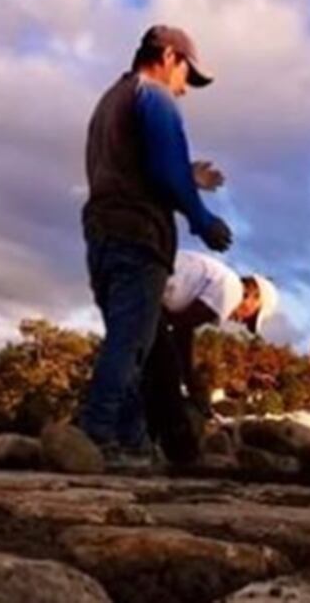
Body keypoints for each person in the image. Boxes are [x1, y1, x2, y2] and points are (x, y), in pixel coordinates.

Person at [80, 25, 233, 466]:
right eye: (188, 75)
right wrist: (203, 221)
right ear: (169, 57)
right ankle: (98, 434)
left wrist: (190, 176)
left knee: (133, 341)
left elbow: (133, 167)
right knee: (130, 344)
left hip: (103, 230)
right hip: (138, 234)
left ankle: (129, 442)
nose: (185, 89)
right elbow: (163, 177)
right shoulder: (155, 96)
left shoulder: (110, 100)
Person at [143, 250, 279, 464]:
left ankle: (141, 440)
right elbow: (180, 330)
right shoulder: (230, 290)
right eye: (251, 317)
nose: (243, 323)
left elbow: (181, 333)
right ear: (252, 296)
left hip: (140, 280)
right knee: (165, 377)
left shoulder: (217, 280)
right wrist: (194, 389)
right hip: (145, 285)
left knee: (153, 371)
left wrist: (192, 382)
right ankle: (181, 454)